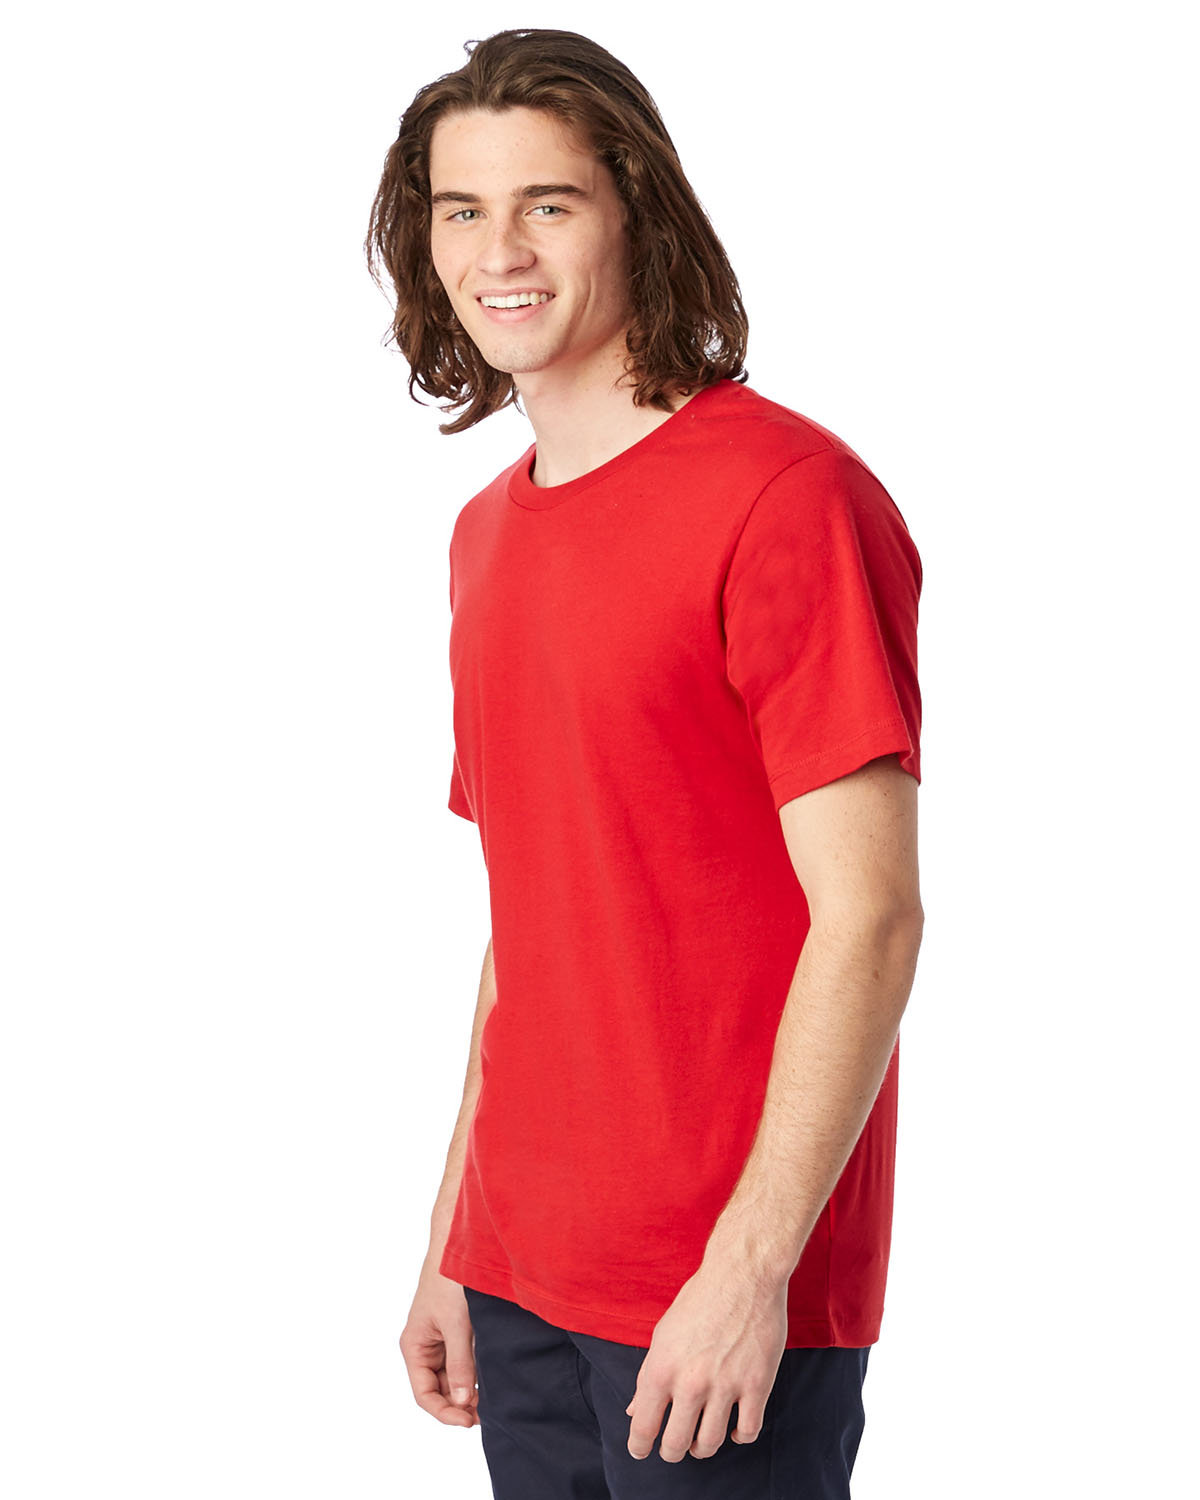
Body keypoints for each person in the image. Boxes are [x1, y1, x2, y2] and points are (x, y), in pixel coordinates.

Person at [365, 28, 924, 1499]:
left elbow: (871, 916)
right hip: (520, 1275)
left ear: (637, 212)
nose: (501, 252)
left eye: (547, 204)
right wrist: (454, 1240)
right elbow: (535, 918)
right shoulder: (486, 535)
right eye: (462, 209)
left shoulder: (786, 496)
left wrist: (749, 1270)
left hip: (714, 1293)